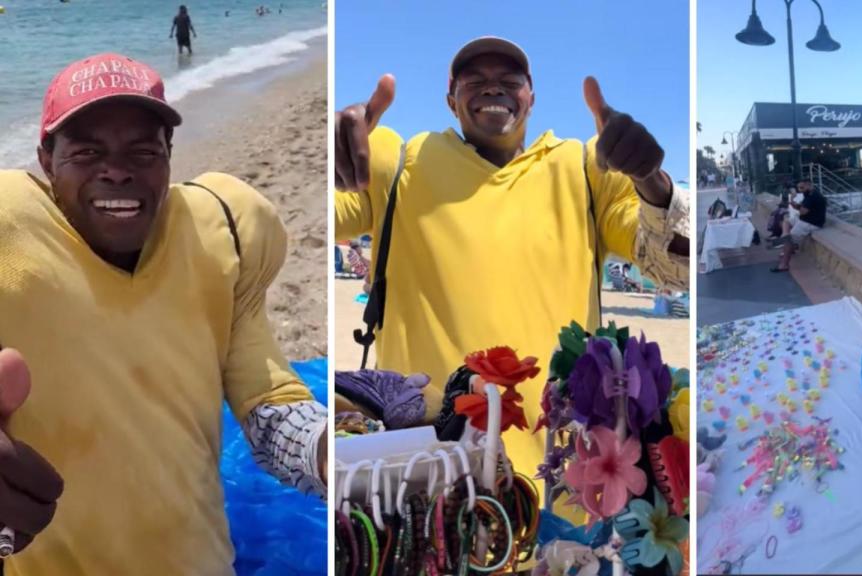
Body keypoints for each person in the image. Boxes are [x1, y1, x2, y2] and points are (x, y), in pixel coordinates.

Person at [0, 53, 327, 574]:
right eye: (86, 151)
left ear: (170, 155)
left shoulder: (222, 231)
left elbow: (266, 398)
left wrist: (325, 451)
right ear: (46, 158)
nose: (117, 172)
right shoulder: (9, 233)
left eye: (142, 151)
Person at [335, 37, 689, 487]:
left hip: (566, 469)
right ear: (450, 100)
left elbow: (670, 268)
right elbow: (314, 221)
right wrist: (329, 155)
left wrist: (650, 181)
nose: (492, 89)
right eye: (474, 81)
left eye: (509, 80)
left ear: (531, 97)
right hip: (425, 468)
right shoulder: (398, 162)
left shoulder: (585, 169)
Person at [769, 178, 825, 273]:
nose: (800, 190)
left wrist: (797, 206)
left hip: (810, 223)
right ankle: (789, 241)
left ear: (809, 185)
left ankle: (784, 264)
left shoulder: (813, 196)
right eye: (798, 187)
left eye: (802, 187)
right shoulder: (808, 193)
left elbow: (803, 211)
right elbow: (803, 209)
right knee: (785, 221)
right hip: (804, 219)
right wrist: (794, 203)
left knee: (788, 240)